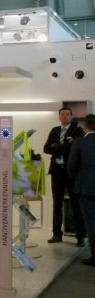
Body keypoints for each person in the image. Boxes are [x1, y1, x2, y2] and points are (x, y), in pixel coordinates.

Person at [44, 107, 86, 246]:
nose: (65, 116)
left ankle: (80, 236)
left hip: (71, 172)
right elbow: (46, 148)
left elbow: (75, 148)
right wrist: (63, 146)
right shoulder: (55, 130)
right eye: (62, 114)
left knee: (75, 203)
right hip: (56, 171)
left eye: (67, 114)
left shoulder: (77, 130)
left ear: (71, 116)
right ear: (59, 116)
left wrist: (57, 147)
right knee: (57, 203)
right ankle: (57, 234)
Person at [68, 114, 95, 266]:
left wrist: (77, 179)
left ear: (85, 127)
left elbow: (71, 166)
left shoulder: (79, 142)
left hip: (86, 188)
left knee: (91, 223)